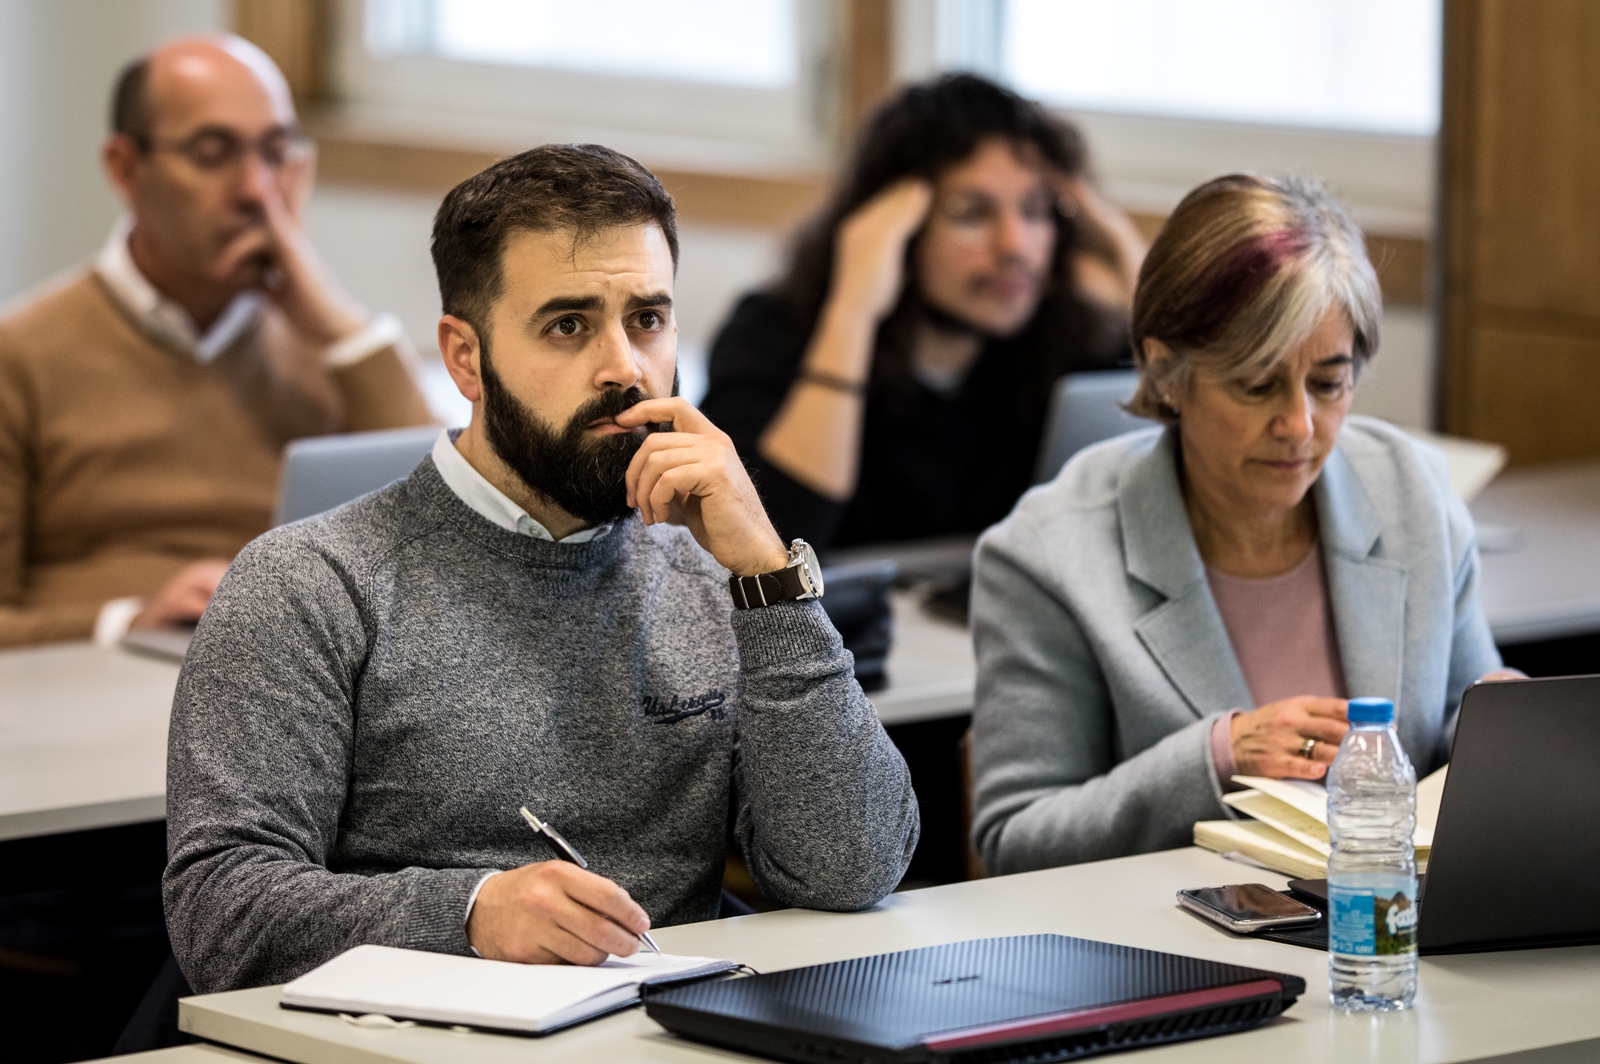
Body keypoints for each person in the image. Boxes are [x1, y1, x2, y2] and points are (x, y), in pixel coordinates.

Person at [162, 144, 920, 993]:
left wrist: (769, 576)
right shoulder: (308, 585)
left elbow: (851, 868)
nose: (624, 367)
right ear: (465, 358)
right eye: (568, 326)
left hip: (671, 1032)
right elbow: (221, 916)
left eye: (647, 320)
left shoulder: (714, 576)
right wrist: (470, 915)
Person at [969, 174, 1520, 875]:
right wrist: (1220, 757)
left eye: (1329, 383)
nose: (1299, 426)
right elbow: (1015, 839)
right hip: (1160, 933)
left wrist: (1503, 728)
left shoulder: (1410, 490)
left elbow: (1450, 735)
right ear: (1166, 374)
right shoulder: (1046, 554)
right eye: (1257, 384)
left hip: (1379, 920)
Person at [0, 35, 432, 648]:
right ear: (125, 168)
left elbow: (451, 542)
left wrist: (342, 331)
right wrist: (127, 622)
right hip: (90, 675)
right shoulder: (21, 355)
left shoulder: (328, 351)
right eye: (212, 154)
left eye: (276, 153)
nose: (256, 189)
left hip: (282, 673)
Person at [699, 74, 1143, 550]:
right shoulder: (768, 335)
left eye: (1035, 211)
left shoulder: (1072, 338)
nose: (1015, 246)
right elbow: (769, 544)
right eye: (972, 213)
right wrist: (852, 312)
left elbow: (1166, 487)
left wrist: (1128, 256)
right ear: (895, 229)